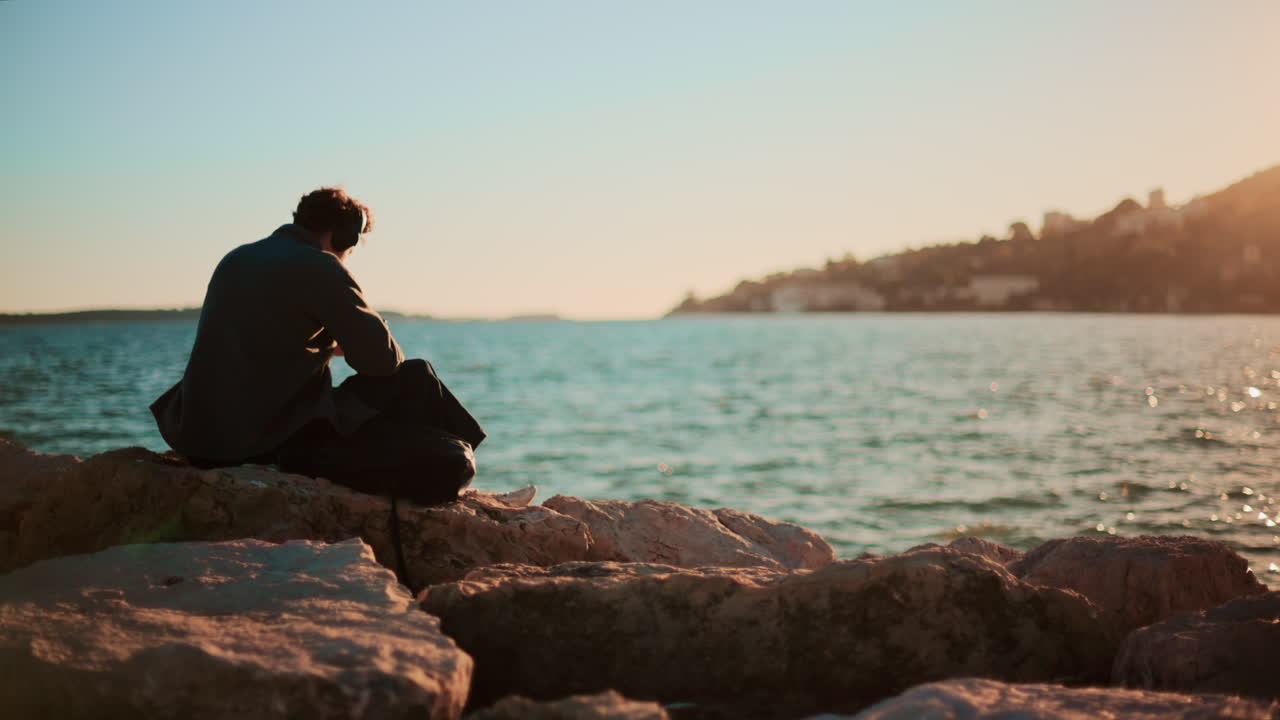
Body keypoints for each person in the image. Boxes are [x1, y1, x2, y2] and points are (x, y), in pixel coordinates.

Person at [151, 187, 505, 507]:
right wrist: (356, 323)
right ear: (344, 235)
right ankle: (459, 480)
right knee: (416, 376)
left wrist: (327, 340)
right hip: (263, 439)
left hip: (200, 435)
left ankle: (452, 471)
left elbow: (263, 337)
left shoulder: (237, 258)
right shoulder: (320, 266)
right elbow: (382, 362)